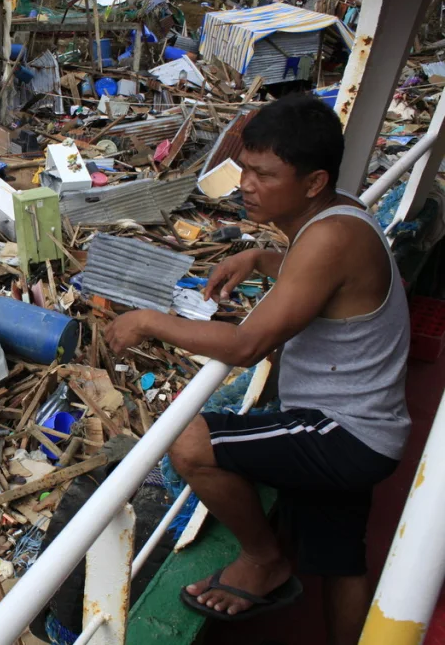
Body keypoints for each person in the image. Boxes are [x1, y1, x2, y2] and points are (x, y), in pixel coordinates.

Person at [104, 94, 409, 645]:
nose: (245, 184)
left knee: (189, 443)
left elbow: (245, 347)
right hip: (371, 427)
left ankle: (263, 559)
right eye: (244, 168)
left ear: (313, 182)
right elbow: (315, 282)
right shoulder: (341, 216)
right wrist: (259, 258)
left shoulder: (331, 238)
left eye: (264, 174)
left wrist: (149, 322)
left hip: (343, 432)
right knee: (341, 564)